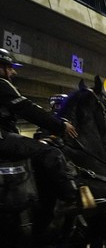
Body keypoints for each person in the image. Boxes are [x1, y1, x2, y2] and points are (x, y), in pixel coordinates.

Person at [0, 49, 79, 220]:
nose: (13, 71)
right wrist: (60, 126)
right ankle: (69, 200)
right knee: (51, 153)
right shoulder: (1, 84)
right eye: (9, 67)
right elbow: (27, 109)